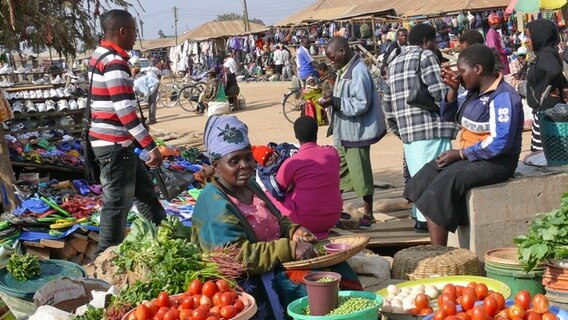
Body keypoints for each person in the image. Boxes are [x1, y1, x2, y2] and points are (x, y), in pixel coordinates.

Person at [191, 115, 362, 319]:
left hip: (276, 263)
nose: (244, 165)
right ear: (217, 166)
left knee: (337, 269)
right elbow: (234, 257)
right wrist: (289, 248)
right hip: (248, 280)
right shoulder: (213, 202)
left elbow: (278, 219)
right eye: (234, 161)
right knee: (312, 288)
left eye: (247, 157)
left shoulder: (250, 186)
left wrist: (294, 230)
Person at [405, 44, 523, 245]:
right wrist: (452, 90)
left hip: (497, 161)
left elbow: (500, 143)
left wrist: (461, 154)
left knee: (444, 184)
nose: (458, 76)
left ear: (477, 70)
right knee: (426, 176)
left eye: (462, 71)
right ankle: (447, 226)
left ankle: (439, 253)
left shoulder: (503, 96)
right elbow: (447, 115)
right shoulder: (471, 92)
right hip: (471, 155)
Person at [87, 9, 165, 255]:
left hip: (117, 144)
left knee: (146, 196)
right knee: (117, 205)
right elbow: (125, 112)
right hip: (114, 145)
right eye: (133, 31)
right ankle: (104, 259)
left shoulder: (99, 56)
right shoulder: (114, 62)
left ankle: (163, 240)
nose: (135, 37)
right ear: (122, 32)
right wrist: (150, 146)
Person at [382, 23, 457, 233]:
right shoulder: (425, 57)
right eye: (434, 42)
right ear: (426, 41)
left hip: (409, 135)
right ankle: (431, 223)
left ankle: (420, 219)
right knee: (436, 181)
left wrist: (400, 132)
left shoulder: (393, 62)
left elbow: (387, 106)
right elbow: (439, 94)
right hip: (431, 129)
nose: (435, 46)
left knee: (418, 179)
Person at [319, 36, 386, 229]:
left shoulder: (358, 71)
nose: (331, 61)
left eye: (332, 57)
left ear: (342, 51)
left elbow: (361, 104)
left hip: (356, 134)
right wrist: (332, 99)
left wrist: (336, 102)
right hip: (343, 132)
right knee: (337, 173)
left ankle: (368, 214)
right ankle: (336, 211)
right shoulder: (344, 71)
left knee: (361, 174)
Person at [275, 116, 342, 239]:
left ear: (296, 135)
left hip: (305, 222)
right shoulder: (332, 152)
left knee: (270, 195)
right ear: (316, 132)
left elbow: (279, 187)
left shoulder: (293, 161)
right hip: (333, 217)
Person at [525, 19, 566, 152]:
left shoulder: (546, 54)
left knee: (544, 157)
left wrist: (543, 89)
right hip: (546, 112)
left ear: (540, 36)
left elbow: (554, 70)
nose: (526, 41)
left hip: (548, 115)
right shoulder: (545, 53)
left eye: (529, 37)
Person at [130, 57, 160, 125]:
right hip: (150, 82)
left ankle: (152, 119)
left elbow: (146, 92)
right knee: (150, 101)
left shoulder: (137, 84)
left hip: (153, 83)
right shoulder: (135, 80)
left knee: (151, 102)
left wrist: (144, 99)